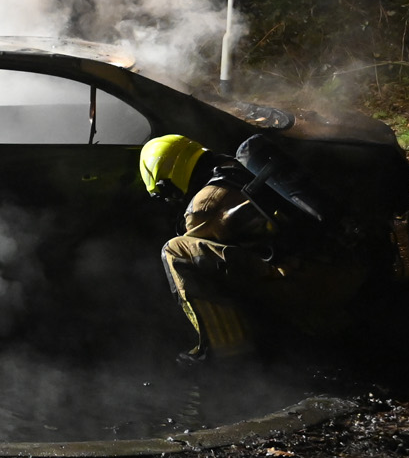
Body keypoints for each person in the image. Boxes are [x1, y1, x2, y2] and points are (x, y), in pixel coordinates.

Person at [140, 133, 361, 364]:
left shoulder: (203, 207)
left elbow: (204, 263)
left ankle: (227, 352)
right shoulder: (242, 168)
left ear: (169, 184)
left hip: (314, 286)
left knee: (176, 250)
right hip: (347, 264)